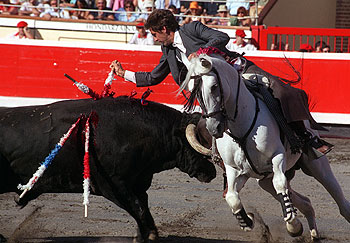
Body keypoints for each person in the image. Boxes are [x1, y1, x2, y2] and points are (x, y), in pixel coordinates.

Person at [110, 9, 332, 155]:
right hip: (209, 91)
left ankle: (304, 136)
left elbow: (221, 38)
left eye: (155, 34)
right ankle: (228, 166)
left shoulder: (192, 29)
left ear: (164, 30)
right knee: (206, 126)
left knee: (281, 92)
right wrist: (124, 74)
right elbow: (154, 77)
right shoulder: (167, 50)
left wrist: (203, 52)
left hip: (235, 71)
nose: (154, 38)